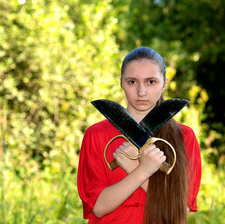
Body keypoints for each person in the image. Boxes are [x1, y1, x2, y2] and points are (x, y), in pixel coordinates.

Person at [77, 47, 201, 224]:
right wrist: (142, 170)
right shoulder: (97, 134)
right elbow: (97, 207)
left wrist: (138, 168)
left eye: (151, 82)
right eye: (132, 82)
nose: (141, 92)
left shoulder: (184, 137)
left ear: (164, 83)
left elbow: (179, 214)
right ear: (121, 82)